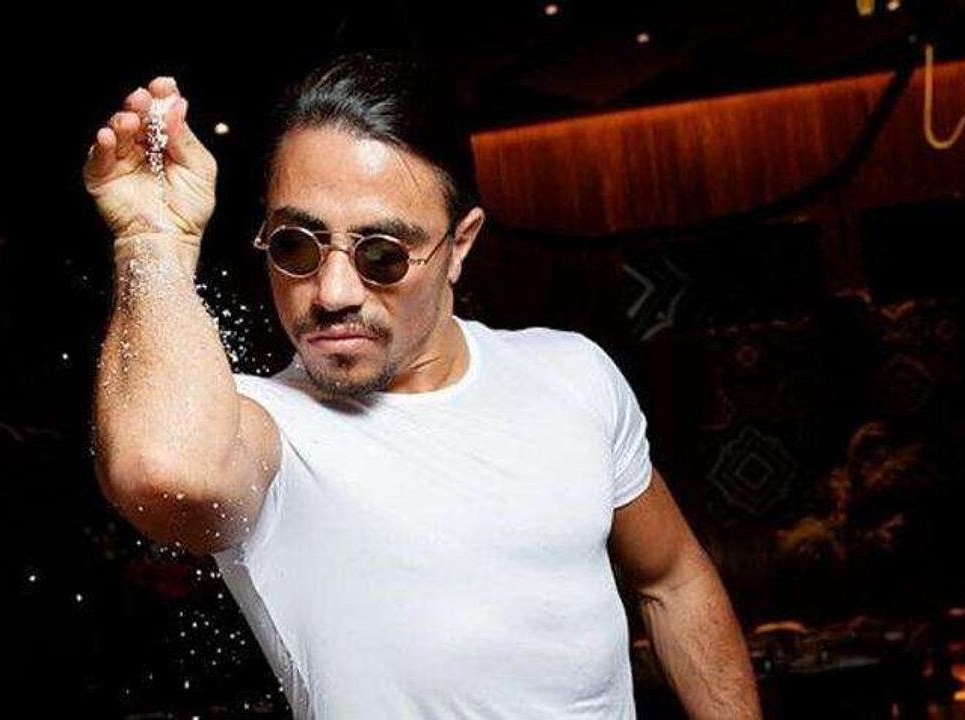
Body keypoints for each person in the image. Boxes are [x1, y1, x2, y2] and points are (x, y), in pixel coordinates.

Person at [83, 51, 761, 720]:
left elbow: (673, 580)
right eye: (296, 245)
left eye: (382, 253)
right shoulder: (265, 427)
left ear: (459, 244)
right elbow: (162, 472)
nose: (333, 292)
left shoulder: (573, 374)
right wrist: (153, 240)